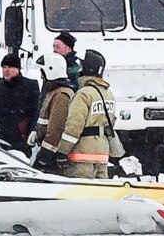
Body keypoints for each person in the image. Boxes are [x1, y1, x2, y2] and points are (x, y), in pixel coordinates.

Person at [62, 49, 122, 179]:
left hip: (82, 155)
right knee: (100, 194)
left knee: (80, 194)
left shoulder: (84, 94)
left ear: (87, 69)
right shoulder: (108, 94)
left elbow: (73, 127)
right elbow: (110, 123)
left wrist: (62, 151)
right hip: (102, 153)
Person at [29, 52, 78, 174]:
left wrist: (45, 154)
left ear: (50, 71)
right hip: (46, 148)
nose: (41, 77)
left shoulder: (62, 95)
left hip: (51, 154)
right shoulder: (55, 91)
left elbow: (56, 127)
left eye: (42, 73)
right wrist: (36, 131)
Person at [0, 54, 41, 154]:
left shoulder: (30, 86)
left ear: (18, 69)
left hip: (20, 139)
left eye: (10, 67)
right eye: (4, 67)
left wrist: (31, 131)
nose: (6, 70)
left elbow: (35, 112)